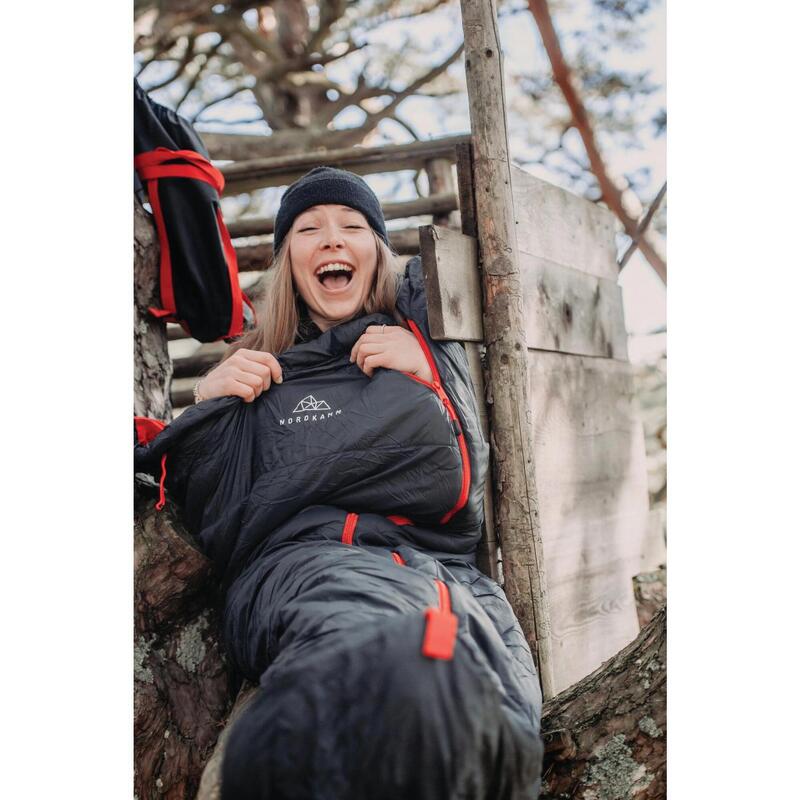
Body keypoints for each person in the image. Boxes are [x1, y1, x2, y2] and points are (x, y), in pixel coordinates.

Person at [135, 167, 544, 799]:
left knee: (491, 697)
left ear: (376, 253)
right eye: (309, 229)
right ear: (288, 261)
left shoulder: (424, 349)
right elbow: (213, 524)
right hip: (298, 570)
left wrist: (435, 378)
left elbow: (461, 499)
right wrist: (205, 416)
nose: (332, 240)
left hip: (439, 572)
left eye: (352, 227)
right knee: (385, 653)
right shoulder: (255, 373)